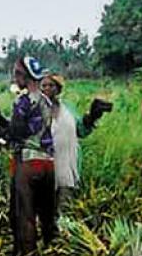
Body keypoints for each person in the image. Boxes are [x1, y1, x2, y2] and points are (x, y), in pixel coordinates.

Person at [40, 75, 113, 211]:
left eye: (51, 85)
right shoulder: (35, 110)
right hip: (45, 165)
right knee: (46, 206)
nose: (47, 88)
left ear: (58, 89)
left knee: (65, 205)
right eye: (44, 86)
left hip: (67, 166)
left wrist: (91, 117)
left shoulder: (67, 108)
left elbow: (81, 131)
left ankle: (64, 228)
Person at [7, 56, 55, 256]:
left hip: (28, 162)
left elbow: (17, 132)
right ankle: (52, 253)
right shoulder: (45, 99)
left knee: (24, 214)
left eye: (17, 73)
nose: (15, 77)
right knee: (46, 213)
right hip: (48, 163)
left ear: (24, 76)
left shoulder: (24, 100)